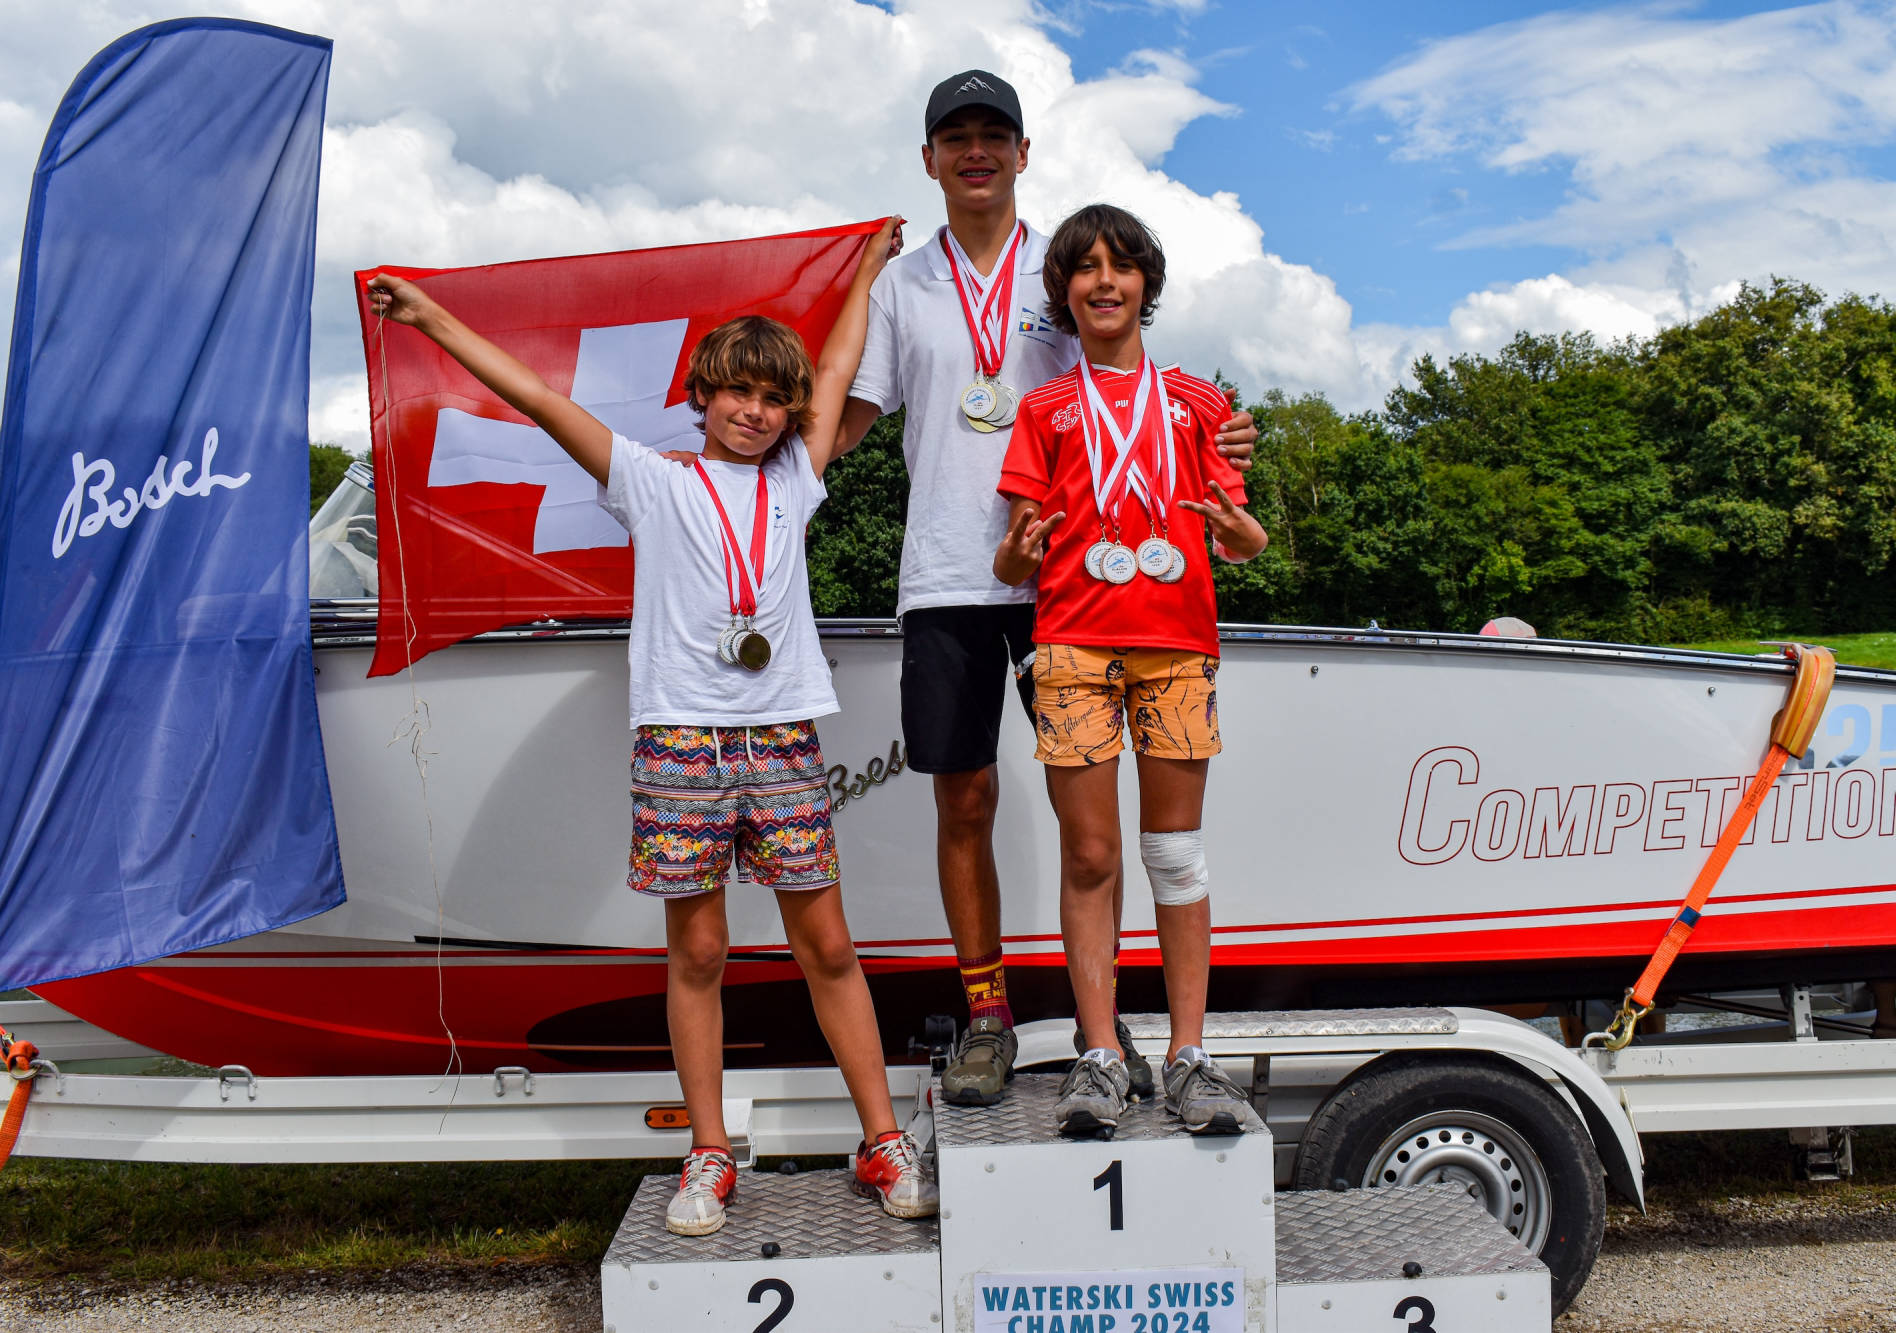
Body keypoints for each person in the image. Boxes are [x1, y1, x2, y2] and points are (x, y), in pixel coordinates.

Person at [364, 219, 936, 1234]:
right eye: (737, 393)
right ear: (701, 398)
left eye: (773, 399)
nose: (754, 412)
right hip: (679, 739)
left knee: (828, 945)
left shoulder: (795, 480)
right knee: (700, 951)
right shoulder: (650, 479)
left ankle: (881, 1139)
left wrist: (864, 272)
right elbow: (539, 399)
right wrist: (429, 317)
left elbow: (842, 362)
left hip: (780, 736)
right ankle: (708, 1151)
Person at [838, 69, 1258, 1107]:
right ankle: (986, 1016)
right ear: (929, 159)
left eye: (995, 134)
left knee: (1096, 833)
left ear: (1023, 154)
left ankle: (1097, 1035)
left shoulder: (1064, 264)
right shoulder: (900, 285)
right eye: (956, 137)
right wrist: (751, 472)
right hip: (947, 570)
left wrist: (1222, 436)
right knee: (964, 797)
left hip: (1074, 579)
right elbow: (853, 416)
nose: (976, 151)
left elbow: (1131, 382)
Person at [992, 203, 1269, 1137]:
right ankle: (1102, 1052)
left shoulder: (1198, 403)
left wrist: (1239, 530)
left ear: (1147, 283)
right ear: (1063, 292)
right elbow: (1013, 554)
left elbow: (1242, 538)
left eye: (1121, 265)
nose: (1104, 281)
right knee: (1091, 855)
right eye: (1085, 268)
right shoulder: (1043, 409)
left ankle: (1190, 1054)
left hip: (1177, 644)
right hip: (1071, 646)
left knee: (1175, 853)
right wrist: (1016, 553)